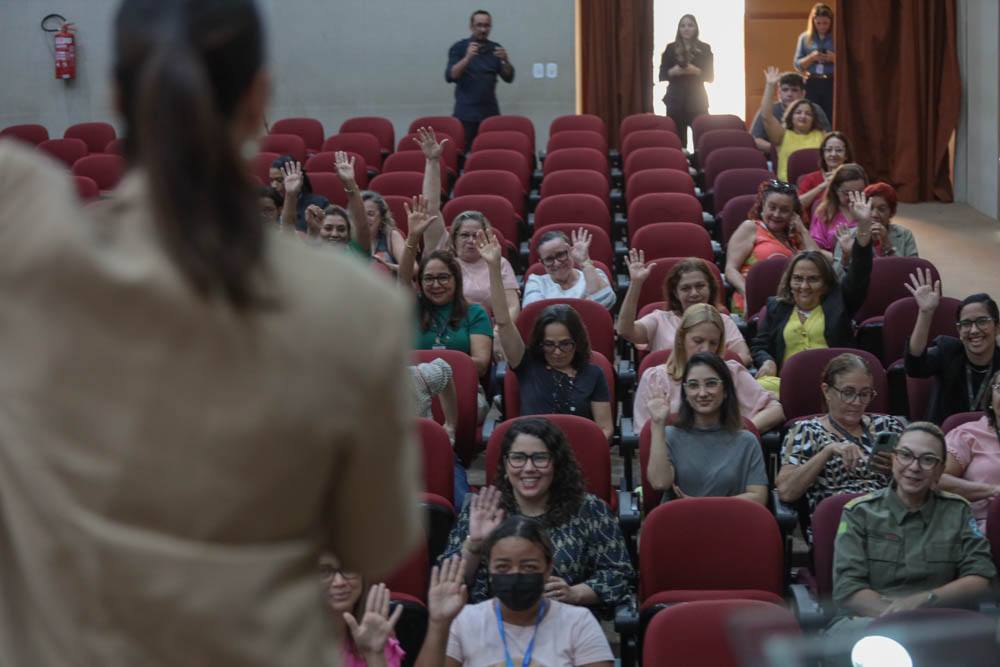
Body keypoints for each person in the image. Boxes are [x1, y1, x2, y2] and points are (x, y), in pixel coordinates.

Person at [0, 0, 421, 664]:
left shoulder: (25, 264)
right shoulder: (354, 305)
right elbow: (375, 541)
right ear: (261, 98)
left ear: (114, 96)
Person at [440, 418, 635, 617]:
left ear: (556, 463)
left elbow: (619, 574)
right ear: (506, 465)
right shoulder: (484, 509)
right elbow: (447, 582)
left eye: (540, 458)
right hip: (489, 630)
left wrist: (576, 593)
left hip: (566, 629)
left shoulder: (590, 509)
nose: (529, 468)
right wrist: (475, 545)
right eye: (518, 458)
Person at [831, 423, 996, 634]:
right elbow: (848, 589)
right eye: (905, 455)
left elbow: (980, 577)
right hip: (872, 621)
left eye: (928, 460)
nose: (914, 467)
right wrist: (899, 619)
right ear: (893, 459)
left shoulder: (957, 510)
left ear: (939, 471)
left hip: (938, 622)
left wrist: (926, 600)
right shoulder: (859, 513)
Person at [416, 520, 615, 667]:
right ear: (491, 571)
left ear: (547, 569)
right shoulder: (464, 621)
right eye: (503, 567)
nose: (515, 575)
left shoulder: (578, 622)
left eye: (528, 567)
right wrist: (438, 624)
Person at [482, 229, 613, 440]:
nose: (557, 352)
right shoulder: (527, 365)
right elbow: (505, 322)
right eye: (549, 345)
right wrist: (494, 267)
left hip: (575, 454)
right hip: (531, 455)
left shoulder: (594, 374)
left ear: (577, 343)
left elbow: (605, 430)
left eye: (565, 344)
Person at [751, 191, 874, 393]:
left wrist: (863, 227)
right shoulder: (777, 306)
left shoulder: (840, 302)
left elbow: (861, 271)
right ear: (789, 281)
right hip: (786, 386)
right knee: (752, 387)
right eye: (798, 279)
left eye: (813, 279)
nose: (804, 286)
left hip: (835, 389)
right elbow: (759, 347)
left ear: (825, 283)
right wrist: (767, 361)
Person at [776, 353, 904, 533]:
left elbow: (921, 482)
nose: (857, 402)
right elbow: (786, 491)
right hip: (837, 524)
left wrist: (895, 469)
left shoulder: (888, 426)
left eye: (865, 394)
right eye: (848, 393)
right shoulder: (806, 431)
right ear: (827, 391)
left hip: (889, 519)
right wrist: (826, 452)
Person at [632, 304, 785, 434]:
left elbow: (775, 410)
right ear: (680, 339)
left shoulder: (731, 372)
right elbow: (644, 433)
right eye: (698, 341)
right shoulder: (656, 378)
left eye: (713, 343)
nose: (705, 349)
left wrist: (738, 434)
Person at [645, 352, 769, 505]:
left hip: (732, 524)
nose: (702, 393)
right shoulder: (670, 435)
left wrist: (697, 504)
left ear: (725, 391)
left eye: (711, 383)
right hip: (681, 523)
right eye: (693, 385)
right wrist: (657, 424)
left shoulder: (747, 441)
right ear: (685, 392)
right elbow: (659, 483)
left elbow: (758, 499)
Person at [617, 252, 751, 365]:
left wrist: (708, 369)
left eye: (700, 286)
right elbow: (625, 330)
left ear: (710, 288)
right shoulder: (660, 320)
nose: (694, 293)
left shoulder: (723, 320)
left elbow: (744, 356)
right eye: (686, 288)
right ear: (676, 293)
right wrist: (636, 283)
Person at [904, 271, 1000, 424]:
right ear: (959, 331)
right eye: (966, 324)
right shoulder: (947, 351)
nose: (974, 330)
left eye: (982, 321)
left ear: (997, 327)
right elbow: (914, 366)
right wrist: (925, 313)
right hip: (944, 442)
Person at [724, 179, 820, 317]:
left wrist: (802, 229)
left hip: (791, 303)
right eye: (772, 207)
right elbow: (730, 270)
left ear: (793, 214)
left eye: (784, 210)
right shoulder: (750, 228)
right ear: (762, 206)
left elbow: (818, 263)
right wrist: (748, 294)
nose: (776, 214)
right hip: (754, 302)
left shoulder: (794, 238)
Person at [447, 210, 520, 360]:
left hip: (492, 331)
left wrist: (499, 332)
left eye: (476, 235)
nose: (471, 240)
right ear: (454, 238)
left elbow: (512, 306)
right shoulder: (445, 264)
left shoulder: (500, 264)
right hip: (453, 329)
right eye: (465, 235)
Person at [939, 370, 1000, 533]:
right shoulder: (968, 434)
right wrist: (993, 491)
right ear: (990, 399)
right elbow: (937, 480)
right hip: (980, 527)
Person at [445, 10, 515, 150]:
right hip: (465, 114)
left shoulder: (496, 48)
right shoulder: (459, 48)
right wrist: (467, 58)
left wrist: (505, 61)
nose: (483, 30)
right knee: (465, 157)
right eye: (479, 25)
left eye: (487, 26)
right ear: (471, 27)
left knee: (490, 154)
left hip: (490, 114)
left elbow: (508, 77)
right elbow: (451, 76)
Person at [319, 553, 405, 667]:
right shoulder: (292, 641)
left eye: (349, 568)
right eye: (324, 572)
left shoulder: (376, 634)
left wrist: (374, 654)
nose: (339, 582)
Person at [833, 182, 918, 276]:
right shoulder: (848, 236)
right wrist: (846, 258)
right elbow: (836, 281)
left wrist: (887, 246)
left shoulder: (904, 235)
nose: (874, 215)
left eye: (882, 209)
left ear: (892, 212)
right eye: (869, 208)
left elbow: (912, 274)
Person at [657, 14, 714, 150]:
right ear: (679, 29)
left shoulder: (705, 48)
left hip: (697, 100)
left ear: (696, 28)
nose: (686, 29)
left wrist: (696, 71)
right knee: (677, 142)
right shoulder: (670, 49)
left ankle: (701, 168)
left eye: (690, 25)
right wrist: (674, 71)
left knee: (702, 140)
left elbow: (710, 76)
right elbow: (662, 74)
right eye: (683, 26)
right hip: (675, 101)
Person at [759, 66, 825, 182]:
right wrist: (770, 86)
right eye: (798, 113)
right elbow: (766, 117)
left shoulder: (823, 135)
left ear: (814, 118)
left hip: (818, 186)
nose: (803, 116)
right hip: (789, 189)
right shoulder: (782, 136)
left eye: (808, 113)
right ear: (790, 117)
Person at [523, 229, 616, 309]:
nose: (557, 263)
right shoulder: (536, 282)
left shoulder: (594, 274)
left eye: (561, 254)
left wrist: (584, 261)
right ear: (542, 262)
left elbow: (607, 301)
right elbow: (533, 314)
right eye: (549, 259)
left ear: (571, 252)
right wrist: (585, 302)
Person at [303, 151, 370, 258]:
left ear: (349, 236)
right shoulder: (312, 255)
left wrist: (350, 182)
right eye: (328, 228)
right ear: (320, 231)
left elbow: (362, 226)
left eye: (341, 229)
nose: (334, 234)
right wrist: (290, 196)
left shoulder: (356, 255)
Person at [749, 71, 831, 155]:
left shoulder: (815, 109)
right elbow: (755, 139)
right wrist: (781, 149)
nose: (789, 94)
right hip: (773, 158)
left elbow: (828, 137)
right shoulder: (769, 109)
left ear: (803, 94)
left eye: (794, 90)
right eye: (785, 90)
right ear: (779, 93)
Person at [808, 163, 868, 252]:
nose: (853, 197)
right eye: (847, 193)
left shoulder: (871, 209)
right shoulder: (824, 212)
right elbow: (816, 247)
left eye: (859, 192)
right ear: (836, 189)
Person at [794, 3, 835, 123]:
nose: (822, 27)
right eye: (818, 23)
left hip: (832, 82)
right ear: (813, 22)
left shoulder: (837, 37)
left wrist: (834, 58)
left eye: (825, 23)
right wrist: (811, 57)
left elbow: (848, 64)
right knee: (812, 116)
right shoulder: (805, 38)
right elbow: (798, 65)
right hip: (812, 82)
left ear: (831, 22)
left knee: (830, 117)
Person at [796, 131, 852, 211]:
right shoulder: (810, 179)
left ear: (846, 155)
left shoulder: (854, 178)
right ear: (823, 154)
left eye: (839, 150)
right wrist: (824, 185)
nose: (833, 154)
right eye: (829, 150)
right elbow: (797, 206)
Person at [271, 155, 329, 232]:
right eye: (271, 180)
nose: (273, 185)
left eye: (279, 180)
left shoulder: (319, 204)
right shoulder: (267, 203)